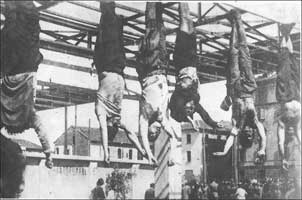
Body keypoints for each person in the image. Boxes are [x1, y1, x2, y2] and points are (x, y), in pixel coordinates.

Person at [0, 0, 53, 173]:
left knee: (29, 28)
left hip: (26, 65)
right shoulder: (3, 116)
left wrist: (49, 155)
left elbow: (42, 132)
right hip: (9, 70)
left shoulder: (30, 116)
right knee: (12, 24)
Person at [93, 1, 146, 163]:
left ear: (111, 124)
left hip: (111, 64)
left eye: (115, 125)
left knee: (110, 33)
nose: (118, 123)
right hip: (114, 66)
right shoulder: (112, 117)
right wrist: (142, 150)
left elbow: (105, 130)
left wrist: (106, 152)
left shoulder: (106, 114)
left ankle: (111, 11)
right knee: (112, 33)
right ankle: (112, 12)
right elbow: (130, 133)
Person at [213, 9, 266, 163]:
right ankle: (238, 19)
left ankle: (233, 24)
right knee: (244, 50)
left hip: (236, 88)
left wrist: (224, 152)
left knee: (233, 52)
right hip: (248, 88)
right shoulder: (256, 122)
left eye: (247, 135)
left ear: (243, 134)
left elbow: (231, 138)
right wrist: (261, 149)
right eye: (251, 135)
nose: (249, 132)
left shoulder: (237, 125)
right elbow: (263, 137)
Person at [168, 3, 223, 131]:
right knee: (190, 24)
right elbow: (204, 115)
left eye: (189, 108)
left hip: (181, 61)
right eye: (192, 109)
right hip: (192, 62)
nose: (192, 107)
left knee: (184, 22)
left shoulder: (179, 98)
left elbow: (175, 113)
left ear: (182, 107)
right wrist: (214, 124)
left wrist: (189, 120)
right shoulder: (195, 101)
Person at [275, 23, 301, 171]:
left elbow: (280, 142)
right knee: (290, 61)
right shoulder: (293, 123)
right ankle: (286, 33)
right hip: (293, 96)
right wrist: (283, 158)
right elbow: (298, 139)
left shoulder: (286, 124)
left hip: (289, 96)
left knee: (286, 61)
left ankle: (285, 33)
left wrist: (284, 158)